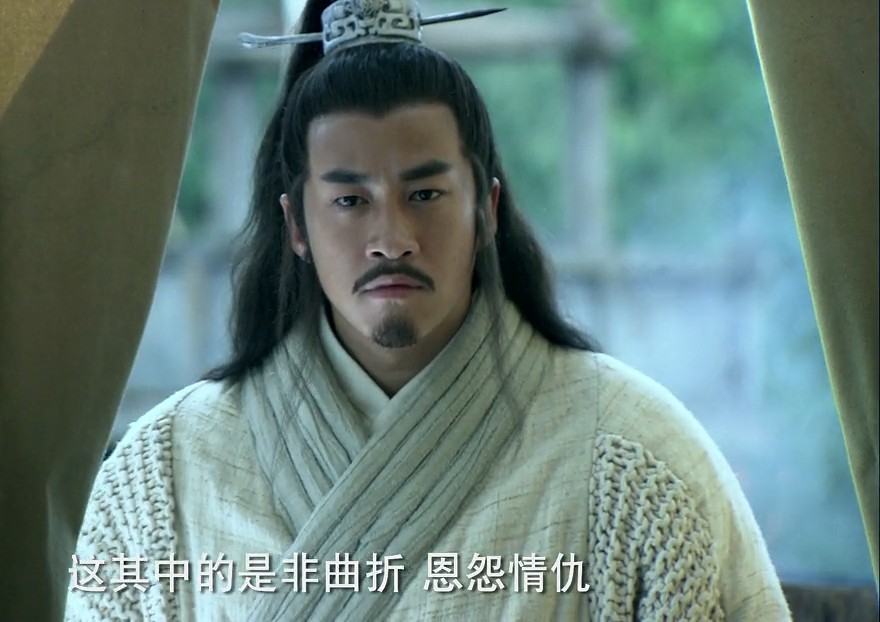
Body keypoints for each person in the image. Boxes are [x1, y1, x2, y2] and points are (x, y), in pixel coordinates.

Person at [65, 0, 791, 619]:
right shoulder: (163, 469)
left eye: (425, 194)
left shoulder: (636, 454)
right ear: (296, 226)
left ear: (487, 209)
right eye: (350, 200)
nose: (391, 239)